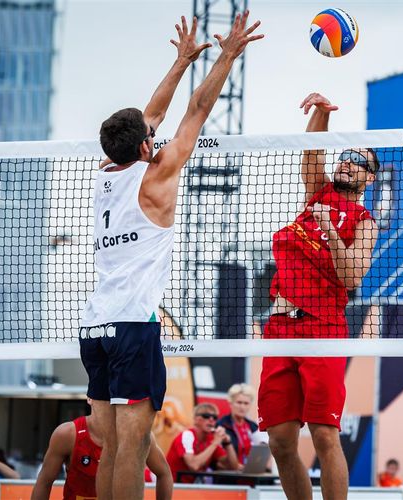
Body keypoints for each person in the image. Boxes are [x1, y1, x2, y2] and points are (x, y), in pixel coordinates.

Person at [77, 12, 262, 500]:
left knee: (112, 445)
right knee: (132, 451)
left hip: (94, 326)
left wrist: (180, 61)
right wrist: (227, 55)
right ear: (144, 145)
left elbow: (150, 117)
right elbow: (196, 112)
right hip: (134, 327)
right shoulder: (156, 177)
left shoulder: (105, 171)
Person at [258, 92, 380, 500]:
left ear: (370, 178)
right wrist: (321, 114)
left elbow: (351, 278)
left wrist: (329, 231)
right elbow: (310, 152)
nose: (348, 163)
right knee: (279, 441)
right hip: (279, 327)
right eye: (346, 157)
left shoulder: (364, 221)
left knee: (325, 435)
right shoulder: (319, 193)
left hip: (324, 328)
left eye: (360, 162)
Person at [31, 402, 172, 500]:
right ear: (90, 399)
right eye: (104, 397)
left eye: (113, 399)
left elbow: (164, 474)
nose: (109, 403)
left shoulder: (136, 436)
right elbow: (44, 481)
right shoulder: (68, 434)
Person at [166, 403, 240, 483]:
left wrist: (228, 443)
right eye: (206, 416)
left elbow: (233, 467)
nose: (211, 420)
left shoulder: (211, 439)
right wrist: (215, 443)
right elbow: (194, 466)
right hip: (173, 486)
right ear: (196, 419)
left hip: (193, 488)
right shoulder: (187, 435)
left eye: (215, 417)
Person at [217, 384, 259, 468]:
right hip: (230, 476)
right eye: (239, 402)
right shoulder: (221, 425)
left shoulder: (253, 426)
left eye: (246, 403)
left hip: (251, 474)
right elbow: (218, 458)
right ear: (230, 403)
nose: (242, 407)